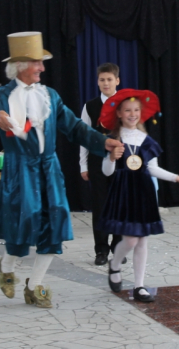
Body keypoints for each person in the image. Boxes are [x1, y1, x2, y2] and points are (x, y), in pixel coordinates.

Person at [0, 31, 123, 309]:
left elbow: (76, 128)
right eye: (37, 63)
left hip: (49, 168)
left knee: (55, 225)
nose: (42, 68)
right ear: (20, 65)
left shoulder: (50, 96)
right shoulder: (1, 95)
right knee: (23, 226)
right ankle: (7, 266)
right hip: (20, 169)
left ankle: (35, 285)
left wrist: (104, 143)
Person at [96, 89, 179, 303]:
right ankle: (115, 263)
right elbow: (106, 172)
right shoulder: (113, 139)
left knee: (142, 240)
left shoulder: (146, 140)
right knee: (131, 239)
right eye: (127, 110)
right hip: (124, 191)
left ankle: (139, 286)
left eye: (136, 110)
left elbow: (152, 168)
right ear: (119, 114)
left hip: (143, 192)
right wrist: (111, 158)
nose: (132, 114)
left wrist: (177, 178)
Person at [79, 63, 124, 266]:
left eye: (109, 79)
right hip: (98, 162)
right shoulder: (90, 106)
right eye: (102, 80)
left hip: (122, 162)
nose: (106, 83)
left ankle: (118, 247)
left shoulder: (126, 104)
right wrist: (83, 165)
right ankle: (101, 250)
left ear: (117, 81)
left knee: (120, 206)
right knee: (100, 206)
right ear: (97, 82)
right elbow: (83, 137)